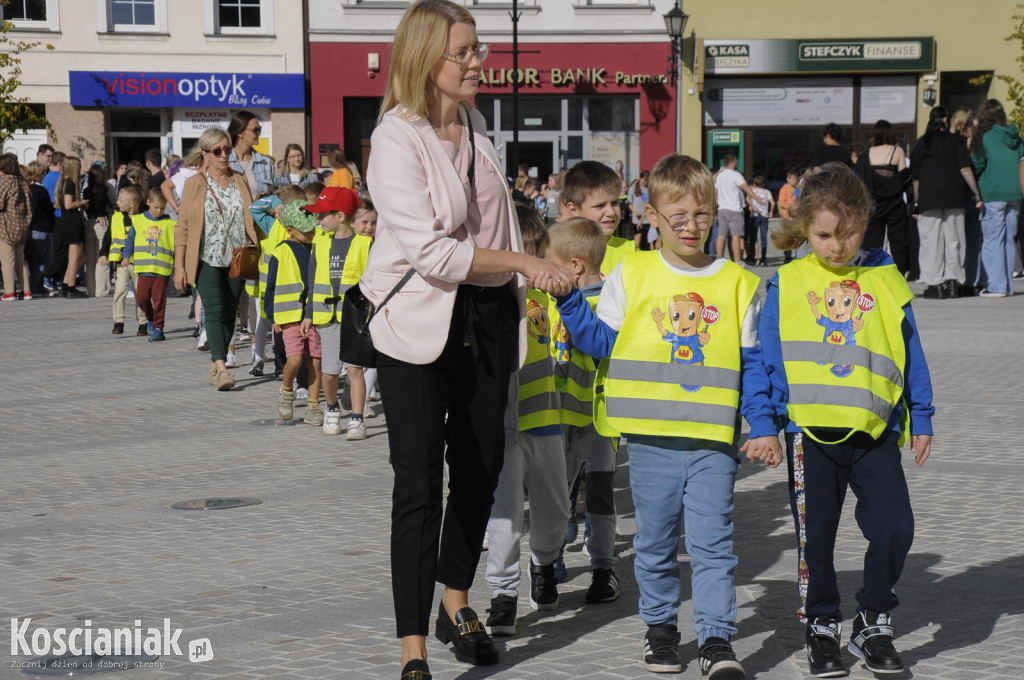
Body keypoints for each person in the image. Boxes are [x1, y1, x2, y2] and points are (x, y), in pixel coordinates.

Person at [363, 2, 572, 676]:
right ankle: (412, 646)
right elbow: (436, 255)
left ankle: (455, 603)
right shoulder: (396, 137)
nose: (479, 61)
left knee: (481, 468)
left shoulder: (479, 128)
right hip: (416, 324)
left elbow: (494, 227)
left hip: (485, 318)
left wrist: (538, 274)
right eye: (466, 51)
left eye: (479, 48)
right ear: (428, 61)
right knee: (419, 485)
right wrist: (524, 265)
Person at [551, 153, 780, 678]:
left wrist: (762, 424)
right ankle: (660, 629)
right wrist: (568, 302)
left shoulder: (740, 282)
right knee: (653, 544)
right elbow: (599, 342)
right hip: (650, 441)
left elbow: (754, 365)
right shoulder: (631, 271)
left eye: (701, 215)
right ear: (651, 215)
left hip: (712, 442)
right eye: (677, 217)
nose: (691, 226)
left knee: (713, 544)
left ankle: (718, 640)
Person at [761, 162, 934, 678]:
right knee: (816, 541)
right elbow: (770, 361)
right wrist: (765, 423)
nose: (837, 246)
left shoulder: (883, 275)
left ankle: (872, 620)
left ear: (866, 219)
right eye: (824, 235)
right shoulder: (786, 283)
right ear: (804, 229)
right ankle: (821, 625)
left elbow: (910, 351)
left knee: (895, 527)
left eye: (849, 232)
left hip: (874, 433)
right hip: (808, 437)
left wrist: (920, 415)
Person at [483, 207, 571, 637]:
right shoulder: (493, 299)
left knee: (556, 509)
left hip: (547, 418)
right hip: (504, 426)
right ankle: (502, 595)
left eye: (534, 254)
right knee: (504, 514)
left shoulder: (552, 298)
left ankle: (544, 561)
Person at [545, 215, 623, 605]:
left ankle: (604, 568)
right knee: (559, 496)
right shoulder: (555, 298)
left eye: (550, 263)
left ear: (574, 267)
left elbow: (598, 344)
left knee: (599, 498)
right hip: (561, 416)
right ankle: (552, 556)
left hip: (597, 421)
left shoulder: (606, 302)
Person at [173, 127, 261, 391]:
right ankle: (222, 367)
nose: (224, 155)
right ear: (206, 154)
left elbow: (252, 215)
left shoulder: (239, 179)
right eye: (217, 151)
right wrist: (179, 266)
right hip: (206, 258)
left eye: (227, 150)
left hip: (237, 257)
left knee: (229, 312)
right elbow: (183, 227)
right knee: (214, 309)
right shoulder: (195, 184)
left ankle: (215, 363)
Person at [301, 187, 369, 437]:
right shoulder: (319, 245)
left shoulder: (365, 245)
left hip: (354, 318)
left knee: (354, 370)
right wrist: (308, 313)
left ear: (340, 216)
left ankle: (357, 419)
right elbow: (311, 283)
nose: (318, 220)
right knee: (329, 374)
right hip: (326, 317)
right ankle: (332, 409)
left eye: (322, 215)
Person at [910, 106, 983, 299]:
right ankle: (953, 282)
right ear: (946, 120)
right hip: (955, 196)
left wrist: (916, 202)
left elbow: (916, 179)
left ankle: (935, 284)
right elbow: (965, 170)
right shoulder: (957, 141)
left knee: (930, 241)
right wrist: (977, 194)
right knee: (955, 239)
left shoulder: (921, 144)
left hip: (928, 197)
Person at [265, 199, 324, 424]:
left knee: (316, 362)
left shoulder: (318, 248)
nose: (310, 233)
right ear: (289, 229)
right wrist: (272, 317)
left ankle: (313, 406)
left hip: (315, 314)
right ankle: (286, 391)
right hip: (289, 316)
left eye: (311, 228)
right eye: (304, 229)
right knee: (295, 360)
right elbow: (269, 288)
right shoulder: (280, 253)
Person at [971, 98, 1024, 297]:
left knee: (992, 240)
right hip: (1015, 193)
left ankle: (997, 285)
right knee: (1009, 239)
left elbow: (977, 163)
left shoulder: (985, 137)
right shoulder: (1015, 137)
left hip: (993, 194)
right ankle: (1008, 285)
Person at [854, 120, 913, 279]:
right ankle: (899, 276)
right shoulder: (897, 150)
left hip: (873, 204)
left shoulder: (866, 154)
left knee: (871, 242)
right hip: (895, 203)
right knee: (898, 243)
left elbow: (858, 179)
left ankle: (870, 275)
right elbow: (904, 177)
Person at [563, 159, 636, 276]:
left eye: (614, 202)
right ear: (573, 210)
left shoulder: (631, 252)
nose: (611, 212)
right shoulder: (559, 253)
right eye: (600, 206)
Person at [122, 187, 175, 342]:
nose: (159, 211)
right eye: (155, 207)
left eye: (162, 208)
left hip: (162, 269)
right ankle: (151, 319)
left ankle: (159, 327)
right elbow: (130, 241)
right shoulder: (138, 221)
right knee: (141, 298)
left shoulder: (169, 224)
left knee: (159, 300)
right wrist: (126, 256)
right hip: (143, 269)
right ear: (148, 202)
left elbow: (177, 244)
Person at [104, 185, 150, 335]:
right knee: (120, 291)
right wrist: (103, 253)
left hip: (139, 263)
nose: (117, 202)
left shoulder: (143, 218)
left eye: (120, 200)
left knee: (141, 294)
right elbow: (108, 236)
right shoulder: (116, 217)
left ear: (132, 203)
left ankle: (143, 323)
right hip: (122, 263)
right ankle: (118, 321)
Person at [44, 155, 90, 298]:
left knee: (80, 257)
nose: (80, 169)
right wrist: (82, 202)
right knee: (75, 258)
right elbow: (68, 204)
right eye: (78, 166)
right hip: (71, 222)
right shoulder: (69, 183)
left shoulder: (62, 182)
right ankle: (71, 288)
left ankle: (65, 285)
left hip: (64, 222)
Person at [950, 107, 984, 294]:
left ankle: (957, 280)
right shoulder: (970, 142)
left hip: (954, 196)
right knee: (970, 242)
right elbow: (973, 168)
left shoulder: (949, 141)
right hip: (968, 196)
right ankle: (968, 281)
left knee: (956, 240)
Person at [714, 154, 764, 263]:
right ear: (732, 162)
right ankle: (737, 261)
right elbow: (746, 188)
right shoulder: (736, 175)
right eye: (736, 161)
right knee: (736, 236)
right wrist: (757, 199)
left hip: (722, 209)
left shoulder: (720, 176)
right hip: (734, 209)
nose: (737, 163)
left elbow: (715, 192)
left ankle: (718, 261)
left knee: (721, 235)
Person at [0, 153, 32, 300]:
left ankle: (9, 292)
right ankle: (26, 291)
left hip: (6, 225)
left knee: (7, 260)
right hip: (23, 224)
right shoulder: (23, 181)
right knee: (20, 259)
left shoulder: (4, 181)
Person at [227, 111, 276, 198]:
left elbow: (274, 195)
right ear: (240, 133)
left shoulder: (265, 163)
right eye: (255, 130)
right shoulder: (225, 161)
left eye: (259, 129)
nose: (259, 133)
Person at [24, 161, 55, 297]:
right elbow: (45, 210)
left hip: (32, 228)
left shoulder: (27, 188)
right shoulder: (40, 190)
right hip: (41, 228)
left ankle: (38, 286)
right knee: (44, 260)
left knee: (36, 260)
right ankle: (33, 286)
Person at [83, 163, 112, 297]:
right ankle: (102, 290)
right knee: (102, 257)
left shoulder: (87, 190)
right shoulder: (105, 189)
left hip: (89, 221)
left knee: (90, 260)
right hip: (102, 222)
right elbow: (113, 203)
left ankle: (91, 289)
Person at [746, 174, 774, 266]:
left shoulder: (752, 191)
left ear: (754, 183)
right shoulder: (767, 192)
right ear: (763, 184)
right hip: (764, 216)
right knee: (763, 238)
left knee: (753, 238)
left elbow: (747, 199)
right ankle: (763, 259)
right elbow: (773, 203)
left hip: (754, 215)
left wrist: (753, 207)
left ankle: (752, 258)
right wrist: (771, 212)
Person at [778, 170, 800, 263]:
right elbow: (782, 203)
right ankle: (787, 256)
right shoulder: (784, 188)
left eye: (796, 179)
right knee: (788, 237)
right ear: (788, 179)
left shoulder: (799, 188)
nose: (795, 181)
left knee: (797, 236)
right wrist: (793, 206)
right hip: (787, 217)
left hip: (797, 217)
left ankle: (798, 255)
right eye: (793, 179)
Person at [629, 170, 651, 250]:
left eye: (648, 180)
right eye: (645, 180)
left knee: (646, 242)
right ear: (640, 178)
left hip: (646, 220)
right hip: (636, 220)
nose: (646, 182)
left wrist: (641, 220)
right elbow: (629, 202)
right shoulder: (633, 188)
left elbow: (648, 206)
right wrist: (635, 211)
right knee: (637, 241)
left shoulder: (649, 189)